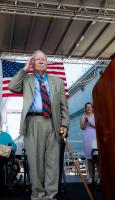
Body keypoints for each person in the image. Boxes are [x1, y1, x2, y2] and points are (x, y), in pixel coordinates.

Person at [8, 50, 69, 200]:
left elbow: (63, 107)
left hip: (53, 123)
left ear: (47, 63)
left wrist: (65, 124)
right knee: (35, 163)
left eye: (44, 59)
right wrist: (24, 69)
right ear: (32, 63)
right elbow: (11, 86)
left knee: (52, 162)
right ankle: (37, 195)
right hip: (33, 122)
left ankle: (50, 195)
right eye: (38, 60)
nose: (41, 61)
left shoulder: (57, 81)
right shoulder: (27, 80)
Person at [80, 102, 98, 184]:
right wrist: (85, 121)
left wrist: (89, 121)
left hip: (95, 139)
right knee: (89, 159)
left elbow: (96, 126)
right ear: (85, 108)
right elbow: (82, 127)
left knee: (97, 159)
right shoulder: (83, 117)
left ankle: (99, 178)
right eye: (87, 107)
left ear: (92, 108)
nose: (88, 108)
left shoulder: (96, 116)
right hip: (87, 139)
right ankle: (90, 178)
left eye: (90, 107)